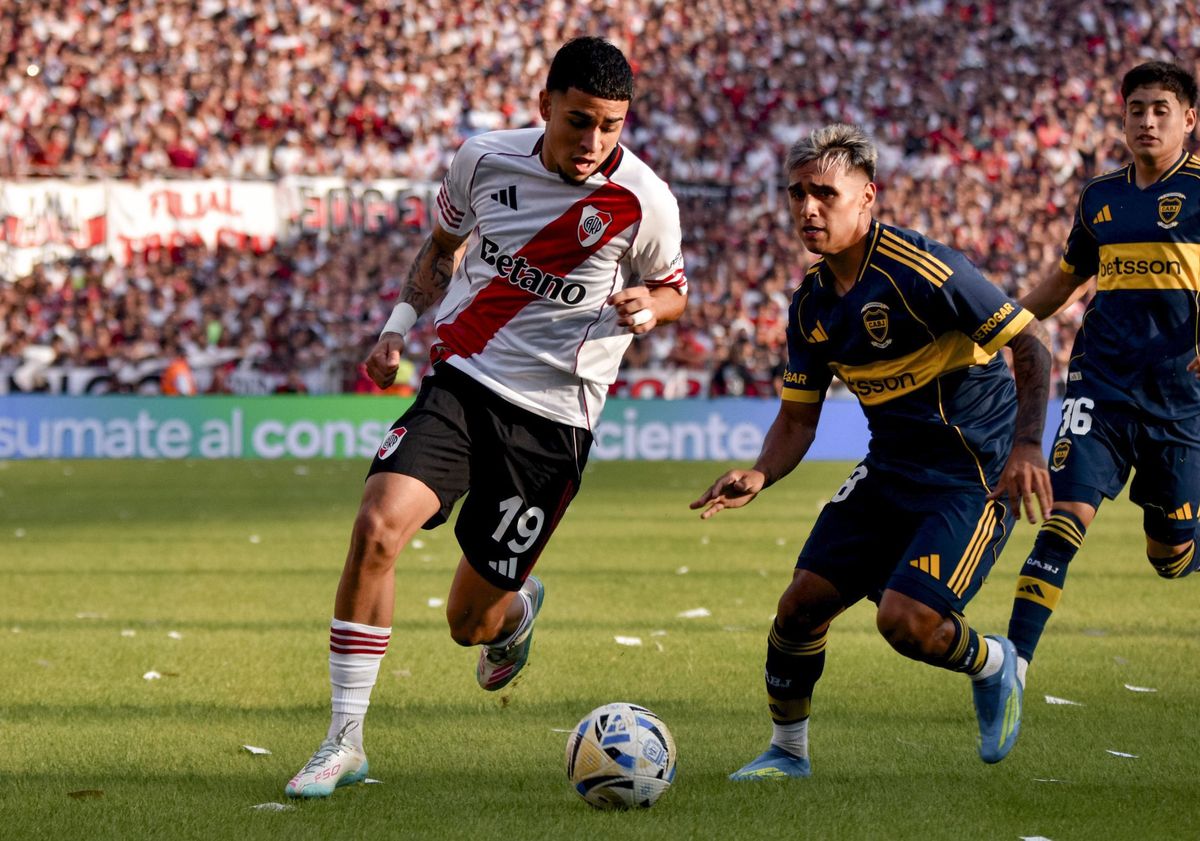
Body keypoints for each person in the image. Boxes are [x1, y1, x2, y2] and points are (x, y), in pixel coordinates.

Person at [285, 36, 688, 799]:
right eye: (578, 121)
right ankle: (343, 740)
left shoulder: (645, 200)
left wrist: (648, 308)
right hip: (464, 381)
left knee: (469, 621)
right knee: (377, 528)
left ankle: (514, 613)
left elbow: (674, 288)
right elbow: (441, 248)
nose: (593, 142)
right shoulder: (484, 159)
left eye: (611, 125)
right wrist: (398, 323)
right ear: (544, 106)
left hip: (553, 423)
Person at [691, 124, 1052, 779]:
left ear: (867, 197)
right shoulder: (811, 305)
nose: (807, 208)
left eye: (824, 193)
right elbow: (798, 420)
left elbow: (1031, 345)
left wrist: (1028, 444)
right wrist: (760, 470)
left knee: (906, 622)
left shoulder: (925, 271)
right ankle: (788, 753)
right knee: (799, 606)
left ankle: (995, 663)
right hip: (889, 469)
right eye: (796, 193)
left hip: (971, 474)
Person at [1006, 61, 1200, 687]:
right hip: (1103, 382)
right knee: (1064, 515)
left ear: (1189, 120)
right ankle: (1012, 669)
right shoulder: (1100, 197)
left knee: (1170, 555)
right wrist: (996, 324)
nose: (1146, 120)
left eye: (1160, 109)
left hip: (1182, 395)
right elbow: (1066, 280)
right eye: (1136, 108)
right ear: (1122, 117)